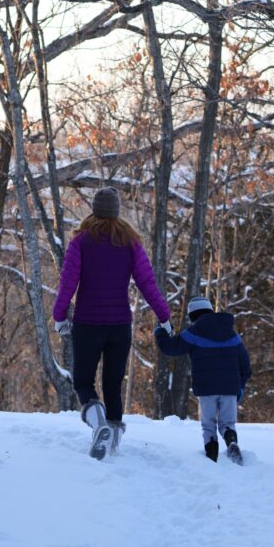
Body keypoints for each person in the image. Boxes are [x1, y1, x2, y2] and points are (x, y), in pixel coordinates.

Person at [52, 187, 172, 460]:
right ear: (116, 211)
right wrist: (163, 316)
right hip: (120, 326)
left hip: (88, 324)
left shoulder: (81, 241)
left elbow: (68, 284)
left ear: (94, 209)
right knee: (113, 384)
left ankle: (99, 425)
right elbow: (147, 284)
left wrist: (59, 316)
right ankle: (113, 444)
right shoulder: (130, 242)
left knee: (83, 381)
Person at [155, 297, 252, 463]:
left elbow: (171, 348)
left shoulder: (194, 332)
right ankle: (231, 441)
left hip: (206, 389)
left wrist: (160, 332)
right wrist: (240, 386)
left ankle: (211, 458)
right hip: (230, 388)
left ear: (192, 314)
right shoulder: (232, 334)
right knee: (227, 423)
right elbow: (245, 364)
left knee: (209, 425)